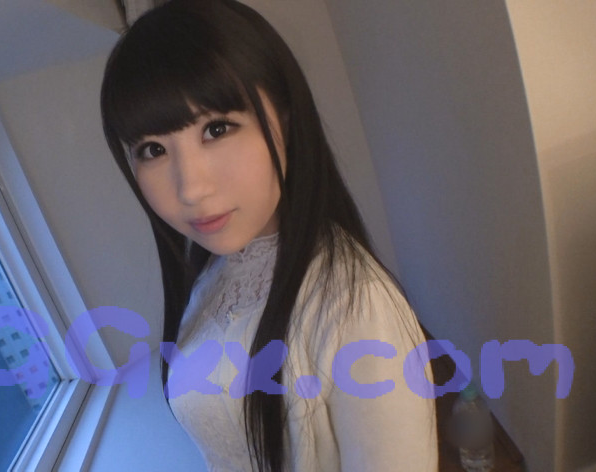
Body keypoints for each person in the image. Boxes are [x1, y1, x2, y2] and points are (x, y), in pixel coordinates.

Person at [100, 0, 437, 470]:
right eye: (153, 150)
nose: (191, 188)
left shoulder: (356, 307)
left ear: (285, 119)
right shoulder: (219, 266)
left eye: (217, 129)